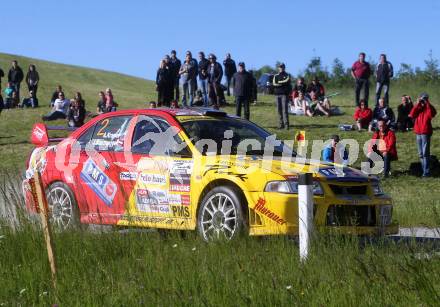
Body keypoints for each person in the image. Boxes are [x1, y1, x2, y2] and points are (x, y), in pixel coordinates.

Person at [409, 93, 437, 177]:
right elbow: (412, 114)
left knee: (425, 153)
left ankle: (426, 172)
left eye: (424, 99)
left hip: (425, 132)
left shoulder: (429, 108)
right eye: (421, 98)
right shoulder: (418, 108)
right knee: (421, 154)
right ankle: (424, 171)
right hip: (418, 132)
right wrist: (418, 104)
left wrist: (427, 103)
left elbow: (431, 114)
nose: (422, 100)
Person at [272, 63, 292, 129]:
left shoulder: (287, 75)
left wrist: (279, 82)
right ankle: (281, 125)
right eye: (280, 67)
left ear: (284, 67)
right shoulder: (276, 76)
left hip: (284, 95)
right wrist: (282, 83)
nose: (281, 68)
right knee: (279, 110)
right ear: (278, 68)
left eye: (282, 67)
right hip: (277, 95)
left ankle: (286, 125)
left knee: (284, 110)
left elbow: (287, 81)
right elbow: (274, 84)